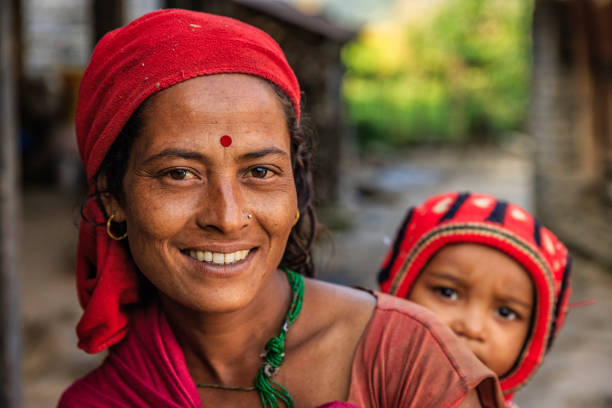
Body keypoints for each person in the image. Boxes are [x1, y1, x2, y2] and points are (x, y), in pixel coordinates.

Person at [58, 10, 505, 408]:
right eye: (179, 173)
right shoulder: (100, 401)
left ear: (297, 180)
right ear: (112, 196)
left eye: (260, 172)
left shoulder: (404, 358)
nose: (228, 217)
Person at [378, 192, 572, 408]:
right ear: (398, 287)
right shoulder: (347, 382)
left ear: (534, 339)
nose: (471, 327)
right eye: (447, 292)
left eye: (505, 313)